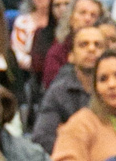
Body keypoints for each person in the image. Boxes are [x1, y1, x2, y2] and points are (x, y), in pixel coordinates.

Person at [33, 23, 107, 152]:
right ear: (71, 56)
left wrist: (66, 132)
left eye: (98, 45)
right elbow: (42, 138)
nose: (91, 49)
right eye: (83, 44)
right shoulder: (58, 92)